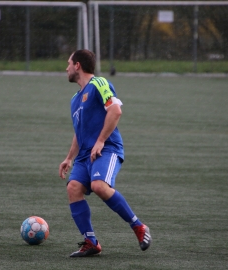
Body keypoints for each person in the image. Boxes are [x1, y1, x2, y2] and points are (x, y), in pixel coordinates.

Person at [58, 49, 151, 257]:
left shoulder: (99, 84)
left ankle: (138, 226)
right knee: (73, 188)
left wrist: (100, 141)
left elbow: (115, 111)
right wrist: (69, 158)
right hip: (84, 156)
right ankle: (91, 242)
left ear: (78, 66)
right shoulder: (75, 99)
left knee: (99, 186)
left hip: (106, 149)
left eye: (68, 63)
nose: (66, 68)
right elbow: (79, 132)